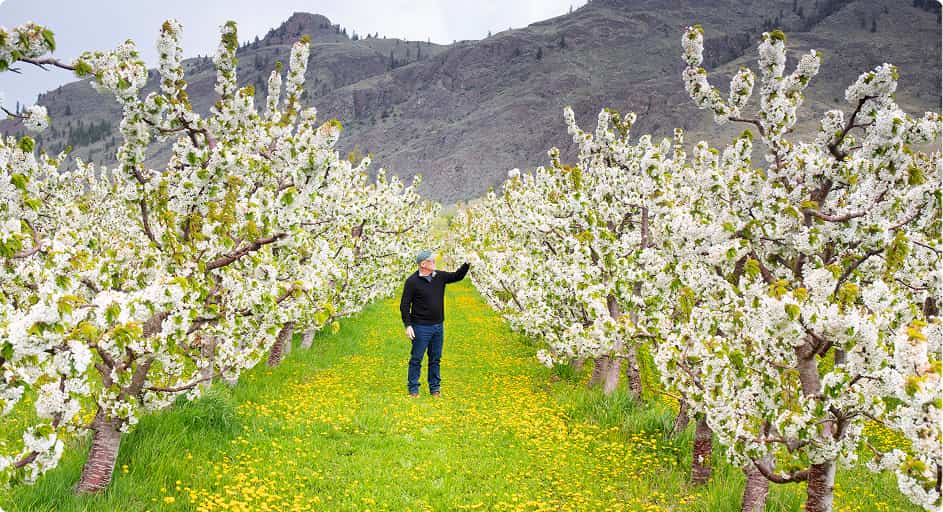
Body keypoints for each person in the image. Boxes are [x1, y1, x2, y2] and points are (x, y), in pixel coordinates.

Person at [399, 250, 470, 398]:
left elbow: (457, 276)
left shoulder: (439, 276)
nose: (434, 262)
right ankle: (413, 389)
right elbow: (405, 305)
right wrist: (408, 325)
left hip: (438, 326)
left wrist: (467, 262)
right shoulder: (412, 282)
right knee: (416, 359)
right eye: (431, 261)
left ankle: (435, 389)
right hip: (420, 327)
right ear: (423, 264)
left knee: (435, 359)